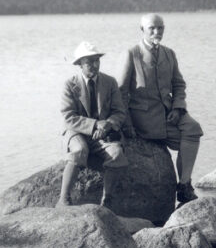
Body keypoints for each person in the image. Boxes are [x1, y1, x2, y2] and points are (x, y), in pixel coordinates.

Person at [115, 14, 203, 206]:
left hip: (170, 113)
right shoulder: (131, 54)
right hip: (143, 118)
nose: (157, 32)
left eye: (160, 28)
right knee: (184, 141)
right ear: (142, 30)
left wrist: (178, 108)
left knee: (193, 129)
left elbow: (179, 84)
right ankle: (184, 186)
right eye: (152, 28)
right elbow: (120, 93)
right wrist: (126, 123)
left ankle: (184, 184)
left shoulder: (169, 54)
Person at [58, 41, 128, 207]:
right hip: (76, 132)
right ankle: (64, 198)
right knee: (80, 150)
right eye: (89, 62)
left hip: (104, 132)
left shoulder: (110, 82)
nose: (94, 65)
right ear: (80, 65)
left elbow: (119, 112)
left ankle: (107, 200)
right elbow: (68, 117)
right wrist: (96, 125)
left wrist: (108, 124)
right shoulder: (70, 85)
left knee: (117, 154)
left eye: (97, 60)